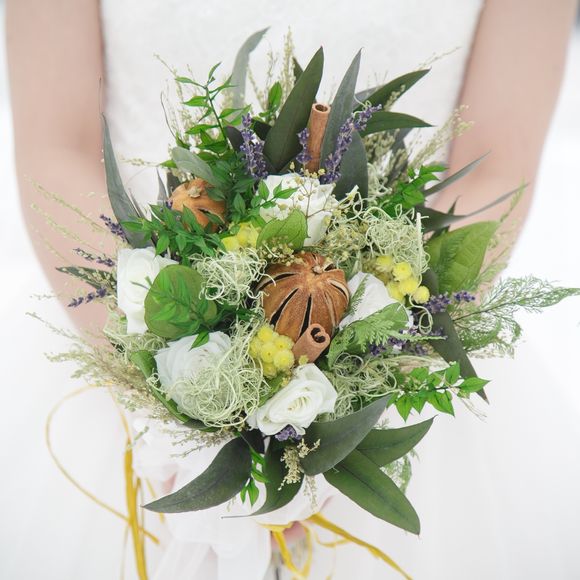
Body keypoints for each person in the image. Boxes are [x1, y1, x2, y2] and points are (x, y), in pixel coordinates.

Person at [6, 1, 579, 578]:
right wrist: (163, 396)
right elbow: (58, 144)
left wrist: (357, 407)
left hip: (400, 352)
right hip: (116, 334)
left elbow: (497, 164)